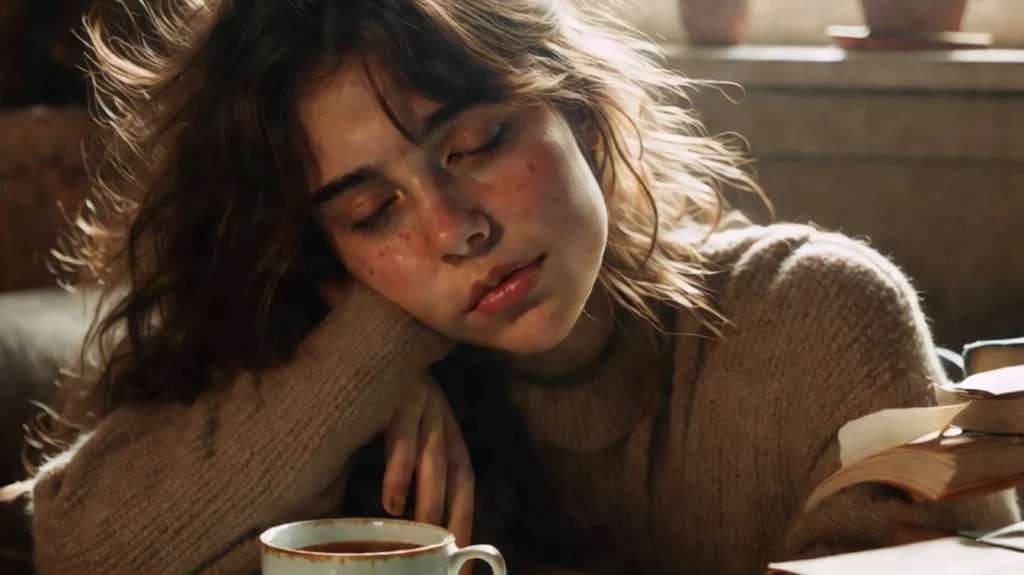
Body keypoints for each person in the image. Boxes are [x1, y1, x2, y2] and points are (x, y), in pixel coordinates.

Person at [19, 0, 1020, 573]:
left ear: (579, 116)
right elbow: (69, 543)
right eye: (373, 212)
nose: (456, 230)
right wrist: (375, 348)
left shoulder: (813, 316)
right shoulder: (343, 362)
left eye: (479, 142)